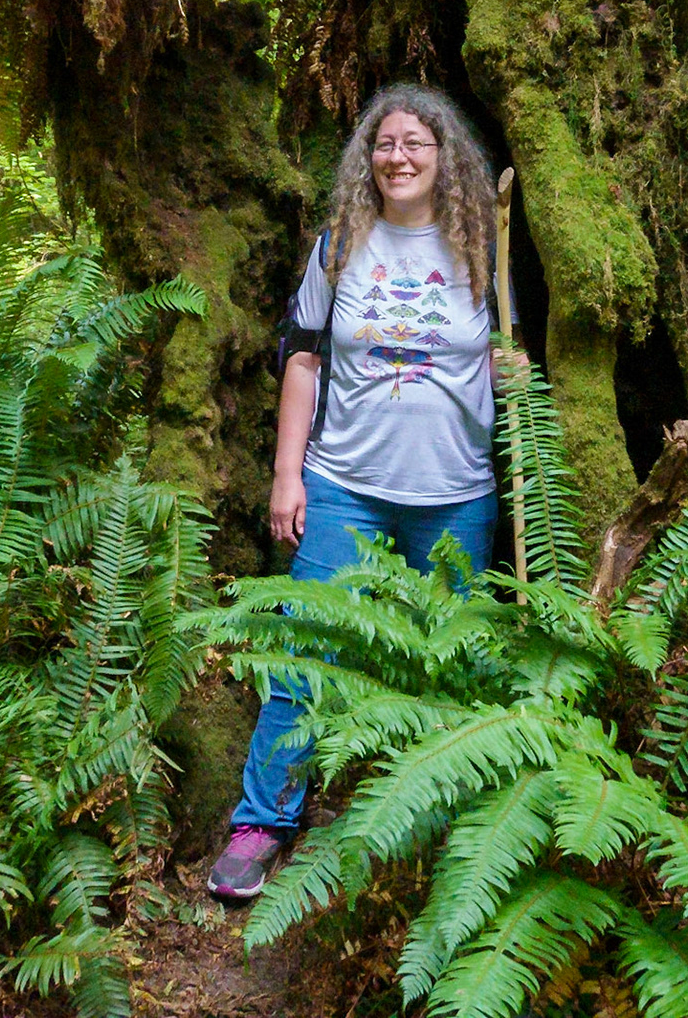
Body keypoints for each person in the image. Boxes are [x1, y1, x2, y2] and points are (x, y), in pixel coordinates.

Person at [206, 84, 517, 901]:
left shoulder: (482, 245)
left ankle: (447, 831)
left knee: (453, 662)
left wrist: (510, 379)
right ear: (367, 159)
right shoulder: (342, 243)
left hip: (455, 491)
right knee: (304, 652)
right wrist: (287, 473)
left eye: (418, 141)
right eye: (385, 143)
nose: (400, 156)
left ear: (446, 157)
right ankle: (262, 820)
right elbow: (303, 358)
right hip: (345, 484)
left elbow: (501, 354)